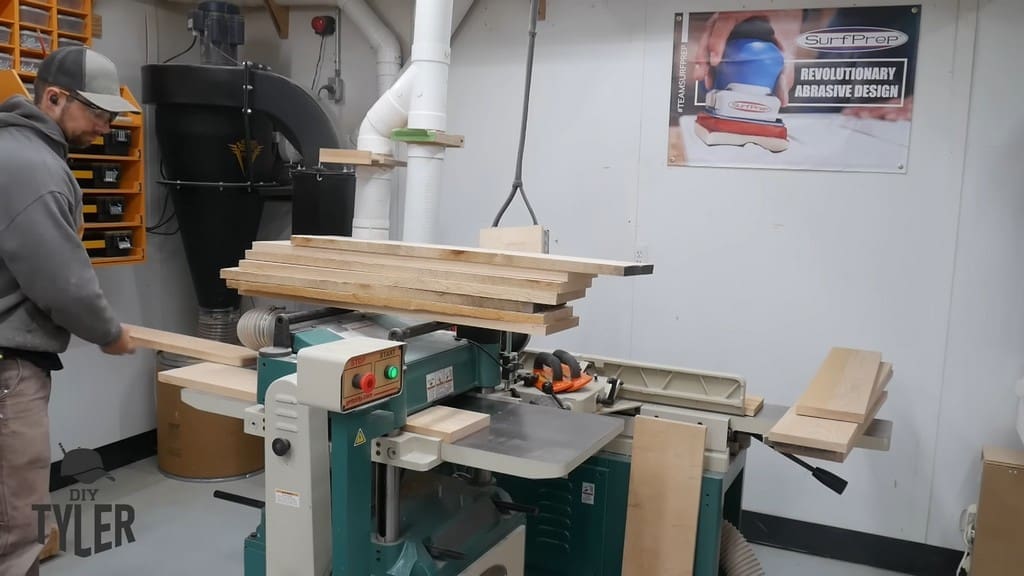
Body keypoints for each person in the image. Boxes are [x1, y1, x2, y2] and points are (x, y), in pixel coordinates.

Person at [0, 46, 138, 576]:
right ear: (53, 98)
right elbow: (62, 280)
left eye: (111, 116)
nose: (105, 127)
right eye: (97, 113)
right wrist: (109, 333)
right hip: (8, 369)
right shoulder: (34, 166)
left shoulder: (14, 150)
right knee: (16, 525)